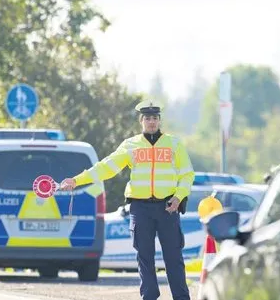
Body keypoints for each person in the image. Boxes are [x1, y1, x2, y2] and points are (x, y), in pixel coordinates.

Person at [60, 99, 194, 300]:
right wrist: (76, 180)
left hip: (168, 206)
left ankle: (181, 298)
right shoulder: (130, 145)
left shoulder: (174, 144)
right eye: (147, 118)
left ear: (159, 120)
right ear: (141, 120)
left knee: (173, 257)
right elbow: (106, 167)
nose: (151, 122)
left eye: (155, 118)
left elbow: (187, 175)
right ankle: (149, 296)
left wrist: (178, 197)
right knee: (144, 257)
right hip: (140, 207)